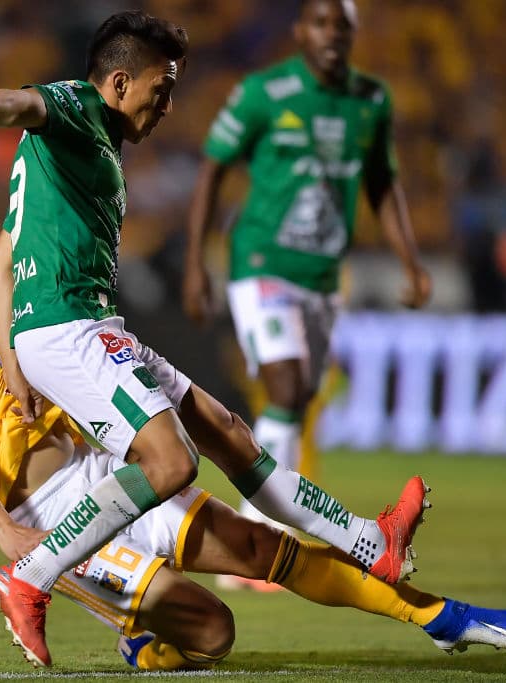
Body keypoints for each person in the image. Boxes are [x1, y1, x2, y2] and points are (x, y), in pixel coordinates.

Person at [0, 195, 506, 671]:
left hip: (99, 474)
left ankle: (442, 617)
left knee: (266, 549)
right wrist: (5, 534)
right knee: (213, 631)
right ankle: (46, 584)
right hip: (47, 514)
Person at [0, 9, 429, 664]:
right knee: (171, 463)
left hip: (85, 328)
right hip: (67, 329)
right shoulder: (80, 107)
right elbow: (28, 103)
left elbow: (1, 257)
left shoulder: (73, 155)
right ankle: (28, 577)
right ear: (118, 84)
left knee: (228, 431)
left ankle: (374, 542)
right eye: (160, 88)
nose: (168, 105)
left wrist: (11, 364)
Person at [182, 0, 433, 578]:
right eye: (320, 23)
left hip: (323, 276)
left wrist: (411, 262)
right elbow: (212, 168)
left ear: (353, 34)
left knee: (299, 399)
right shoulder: (263, 94)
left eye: (341, 26)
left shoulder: (371, 101)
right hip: (262, 262)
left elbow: (382, 184)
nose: (331, 35)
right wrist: (195, 264)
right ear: (300, 31)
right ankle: (256, 541)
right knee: (289, 388)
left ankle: (254, 535)